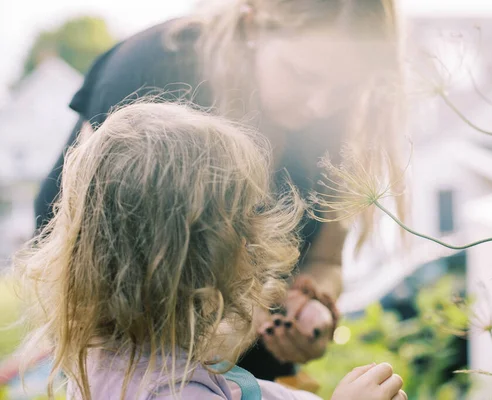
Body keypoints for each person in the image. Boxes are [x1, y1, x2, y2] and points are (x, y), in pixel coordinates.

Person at [33, 0, 407, 381]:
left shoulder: (335, 122)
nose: (320, 105)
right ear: (253, 26)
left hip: (252, 370)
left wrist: (310, 306)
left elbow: (327, 261)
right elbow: (91, 253)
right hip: (141, 367)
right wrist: (235, 308)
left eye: (345, 89)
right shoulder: (152, 73)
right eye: (302, 75)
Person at [15, 102, 407, 400]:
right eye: (241, 222)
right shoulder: (171, 390)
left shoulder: (121, 361)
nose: (249, 240)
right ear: (191, 259)